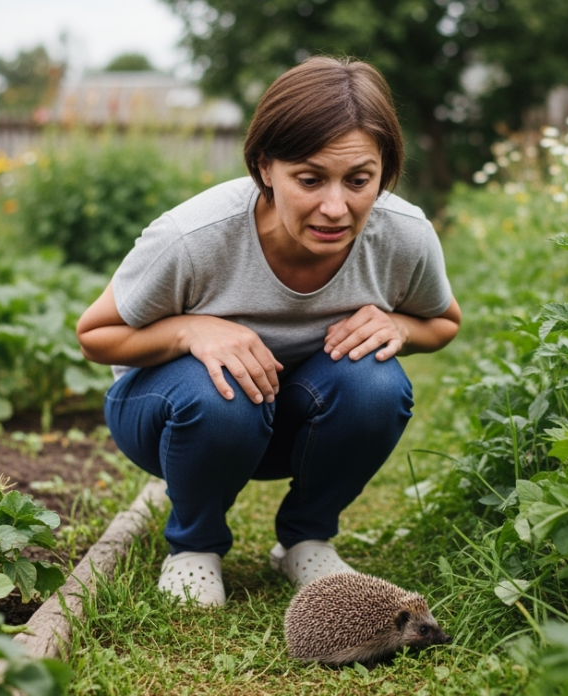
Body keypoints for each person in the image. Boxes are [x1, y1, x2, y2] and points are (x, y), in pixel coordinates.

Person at [75, 56, 461, 607]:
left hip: (294, 422)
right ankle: (194, 547)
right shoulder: (195, 236)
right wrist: (191, 331)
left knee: (377, 385)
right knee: (219, 390)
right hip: (171, 417)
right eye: (309, 179)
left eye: (359, 180)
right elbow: (94, 335)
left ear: (385, 170)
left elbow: (444, 321)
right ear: (264, 168)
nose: (336, 207)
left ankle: (306, 540)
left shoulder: (403, 236)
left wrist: (399, 324)